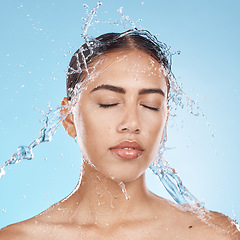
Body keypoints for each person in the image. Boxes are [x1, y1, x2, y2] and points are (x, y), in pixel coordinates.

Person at [0, 30, 239, 239]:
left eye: (150, 106)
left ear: (165, 119)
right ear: (69, 117)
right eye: (109, 103)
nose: (132, 123)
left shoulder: (215, 234)